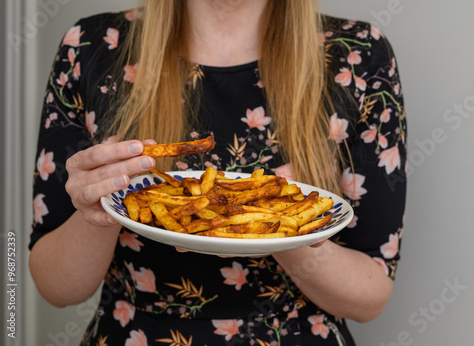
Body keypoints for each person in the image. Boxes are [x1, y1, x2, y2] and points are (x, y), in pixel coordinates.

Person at [30, 0, 407, 345]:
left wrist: (286, 232)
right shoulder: (90, 47)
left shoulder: (359, 56)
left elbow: (370, 297)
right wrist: (99, 209)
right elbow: (55, 287)